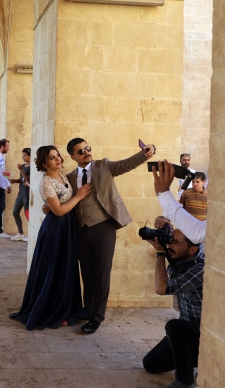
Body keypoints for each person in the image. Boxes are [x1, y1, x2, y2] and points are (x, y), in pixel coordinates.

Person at [64, 138, 155, 334]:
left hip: (104, 226)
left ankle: (97, 316)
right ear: (73, 156)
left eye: (88, 148)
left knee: (102, 272)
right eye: (81, 151)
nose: (87, 152)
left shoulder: (103, 166)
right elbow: (64, 199)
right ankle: (87, 310)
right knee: (86, 272)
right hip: (80, 229)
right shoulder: (70, 177)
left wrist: (146, 153)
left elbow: (126, 164)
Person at [9, 146, 91, 330]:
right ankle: (52, 311)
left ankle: (65, 308)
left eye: (58, 156)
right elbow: (59, 210)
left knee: (66, 269)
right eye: (52, 158)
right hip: (56, 229)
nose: (57, 159)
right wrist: (78, 197)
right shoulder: (46, 182)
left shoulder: (63, 176)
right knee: (54, 268)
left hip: (68, 228)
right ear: (44, 163)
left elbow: (57, 205)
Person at [142, 223, 204, 388]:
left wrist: (161, 253)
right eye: (171, 240)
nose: (170, 244)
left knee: (174, 327)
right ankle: (192, 362)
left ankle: (185, 381)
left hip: (204, 335)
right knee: (151, 364)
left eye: (176, 242)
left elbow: (161, 288)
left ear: (193, 249)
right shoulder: (181, 260)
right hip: (187, 333)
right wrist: (163, 225)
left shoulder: (200, 269)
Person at [153, 160, 207, 251]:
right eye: (193, 182)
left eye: (197, 182)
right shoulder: (186, 192)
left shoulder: (210, 196)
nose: (195, 184)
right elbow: (180, 207)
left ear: (204, 182)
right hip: (186, 228)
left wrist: (163, 194)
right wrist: (167, 219)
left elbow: (199, 232)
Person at [9, 148, 31, 242]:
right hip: (20, 193)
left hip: (27, 193)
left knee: (28, 215)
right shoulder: (22, 166)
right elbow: (22, 179)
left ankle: (31, 234)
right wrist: (14, 181)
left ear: (30, 156)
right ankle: (20, 233)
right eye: (22, 155)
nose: (23, 157)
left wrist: (21, 169)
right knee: (15, 212)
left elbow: (28, 181)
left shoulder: (32, 167)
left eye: (25, 155)